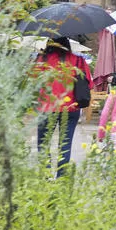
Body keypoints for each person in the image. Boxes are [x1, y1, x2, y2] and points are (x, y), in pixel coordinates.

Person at [34, 37, 92, 176]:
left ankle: (45, 176)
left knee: (43, 145)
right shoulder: (78, 61)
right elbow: (88, 84)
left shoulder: (41, 60)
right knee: (65, 145)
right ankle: (61, 178)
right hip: (70, 107)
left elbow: (33, 82)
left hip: (46, 107)